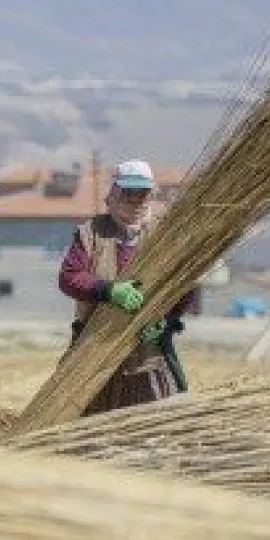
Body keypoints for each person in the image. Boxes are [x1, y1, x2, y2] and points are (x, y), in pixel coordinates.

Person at [57, 158, 194, 415]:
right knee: (90, 425)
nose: (135, 202)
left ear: (151, 196)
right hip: (95, 347)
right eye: (128, 194)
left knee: (156, 424)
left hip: (148, 353)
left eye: (142, 195)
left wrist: (166, 320)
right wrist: (107, 290)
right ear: (113, 195)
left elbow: (184, 286)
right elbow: (70, 277)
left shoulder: (164, 234)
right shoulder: (92, 233)